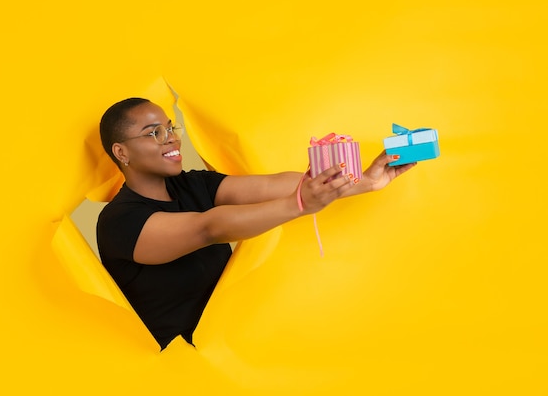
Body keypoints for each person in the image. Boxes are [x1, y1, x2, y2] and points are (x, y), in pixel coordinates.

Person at [96, 97, 416, 350]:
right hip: (175, 369)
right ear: (121, 151)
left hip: (230, 351)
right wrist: (299, 204)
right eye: (154, 133)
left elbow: (270, 186)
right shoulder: (119, 221)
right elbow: (209, 228)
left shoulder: (193, 185)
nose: (170, 140)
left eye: (170, 129)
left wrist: (368, 181)